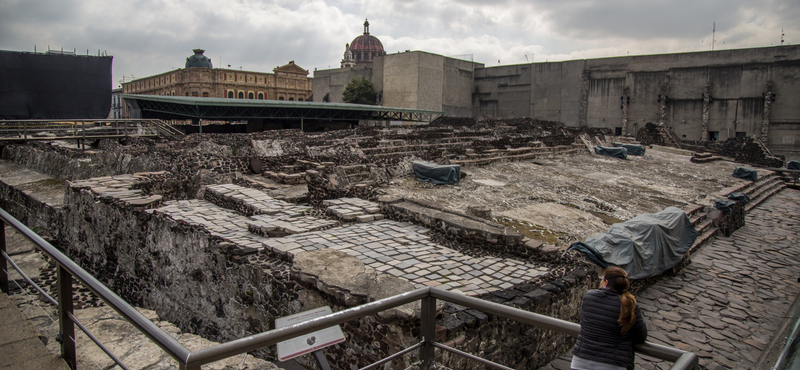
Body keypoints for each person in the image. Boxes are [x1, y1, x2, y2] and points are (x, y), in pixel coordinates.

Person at [571, 266, 647, 370]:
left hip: (581, 362)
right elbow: (640, 337)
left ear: (606, 282)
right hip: (613, 364)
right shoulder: (630, 305)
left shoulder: (589, 296)